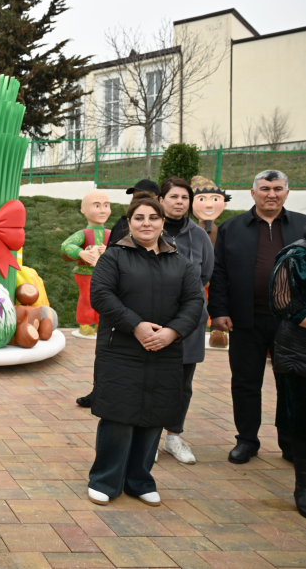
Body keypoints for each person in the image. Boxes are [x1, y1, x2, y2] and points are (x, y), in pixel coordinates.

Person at [87, 198, 204, 506]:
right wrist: (136, 325)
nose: (147, 223)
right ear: (129, 223)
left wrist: (173, 332)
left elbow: (194, 302)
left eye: (154, 217)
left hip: (164, 349)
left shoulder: (179, 262)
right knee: (119, 415)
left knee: (154, 414)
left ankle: (139, 480)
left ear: (163, 223)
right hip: (121, 349)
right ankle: (105, 480)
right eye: (139, 218)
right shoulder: (114, 257)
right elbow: (100, 295)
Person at [209, 170, 306, 464]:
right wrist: (219, 311)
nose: (271, 194)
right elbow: (219, 273)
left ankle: (290, 442)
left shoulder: (303, 225)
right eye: (265, 188)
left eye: (278, 188)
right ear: (253, 193)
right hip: (244, 320)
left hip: (292, 324)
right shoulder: (232, 228)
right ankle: (247, 440)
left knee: (290, 385)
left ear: (287, 193)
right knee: (245, 382)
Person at [157, 177, 215, 464]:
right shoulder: (148, 229)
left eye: (184, 197)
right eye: (173, 197)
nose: (179, 202)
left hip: (189, 321)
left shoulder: (200, 236)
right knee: (151, 380)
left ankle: (173, 437)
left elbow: (205, 275)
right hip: (153, 320)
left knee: (182, 382)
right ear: (161, 200)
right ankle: (148, 437)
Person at [269, 229, 306, 518]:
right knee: (301, 420)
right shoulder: (296, 255)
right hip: (299, 348)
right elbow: (285, 303)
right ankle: (303, 488)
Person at [61, 191, 112, 338]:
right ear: (83, 210)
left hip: (106, 273)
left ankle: (99, 324)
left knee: (104, 297)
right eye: (97, 205)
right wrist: (80, 253)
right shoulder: (83, 233)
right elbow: (66, 245)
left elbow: (121, 250)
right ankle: (84, 324)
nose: (103, 210)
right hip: (85, 273)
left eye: (106, 205)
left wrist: (109, 250)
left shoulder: (110, 233)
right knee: (87, 297)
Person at [108, 179, 160, 244]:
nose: (136, 202)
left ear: (157, 199)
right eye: (134, 197)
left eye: (141, 198)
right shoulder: (122, 224)